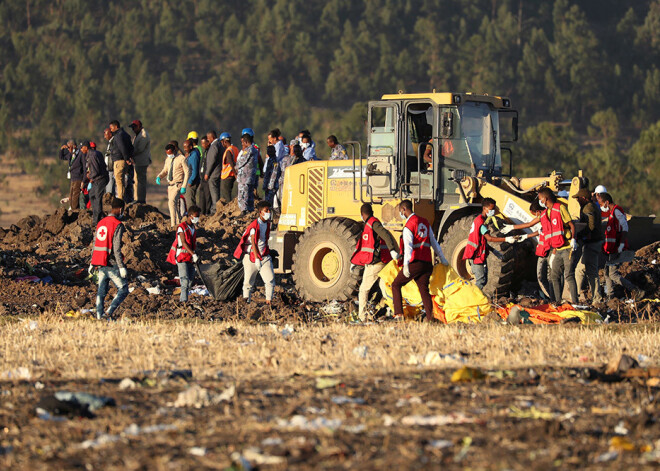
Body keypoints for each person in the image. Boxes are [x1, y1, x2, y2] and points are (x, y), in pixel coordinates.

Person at [392, 200, 448, 321]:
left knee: (396, 284)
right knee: (424, 290)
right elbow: (434, 243)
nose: (401, 214)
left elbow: (409, 248)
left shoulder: (408, 226)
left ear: (403, 210)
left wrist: (406, 266)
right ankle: (430, 318)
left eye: (400, 211)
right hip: (427, 263)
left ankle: (398, 315)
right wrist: (442, 258)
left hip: (415, 262)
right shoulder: (425, 222)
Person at [351, 203, 399, 321]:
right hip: (380, 262)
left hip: (375, 264)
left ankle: (362, 316)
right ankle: (394, 311)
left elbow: (385, 234)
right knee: (384, 288)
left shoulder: (372, 224)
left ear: (362, 214)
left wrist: (392, 249)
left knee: (363, 290)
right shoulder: (370, 224)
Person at [463, 198, 518, 290]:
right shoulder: (480, 222)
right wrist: (506, 239)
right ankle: (473, 300)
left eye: (494, 209)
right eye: (491, 209)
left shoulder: (482, 221)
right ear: (484, 208)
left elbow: (482, 241)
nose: (493, 211)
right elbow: (489, 238)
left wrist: (493, 251)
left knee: (483, 281)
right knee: (480, 282)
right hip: (476, 256)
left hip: (479, 254)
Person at [597, 192, 644, 300]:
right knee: (607, 273)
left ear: (607, 202)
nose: (601, 206)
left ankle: (636, 290)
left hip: (617, 249)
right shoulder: (612, 213)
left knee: (612, 274)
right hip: (611, 249)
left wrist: (620, 246)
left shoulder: (617, 211)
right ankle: (610, 296)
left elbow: (625, 228)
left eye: (601, 203)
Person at [91, 198, 128, 320]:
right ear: (121, 209)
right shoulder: (117, 225)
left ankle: (98, 316)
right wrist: (121, 267)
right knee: (123, 289)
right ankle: (108, 313)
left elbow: (95, 243)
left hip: (100, 262)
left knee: (101, 292)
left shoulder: (100, 223)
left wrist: (92, 263)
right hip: (111, 264)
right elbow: (116, 248)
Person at [234, 201, 276, 304]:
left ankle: (268, 302)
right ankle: (246, 303)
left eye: (269, 210)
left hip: (264, 256)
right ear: (260, 212)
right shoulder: (254, 225)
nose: (268, 212)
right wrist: (257, 259)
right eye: (266, 211)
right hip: (251, 257)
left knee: (270, 279)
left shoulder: (268, 224)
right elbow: (253, 242)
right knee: (248, 282)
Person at [573, 188, 604, 303]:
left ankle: (574, 296)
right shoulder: (592, 206)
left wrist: (579, 234)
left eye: (578, 198)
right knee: (592, 271)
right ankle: (596, 298)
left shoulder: (588, 208)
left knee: (580, 270)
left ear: (584, 198)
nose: (577, 200)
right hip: (595, 243)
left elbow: (590, 226)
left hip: (591, 243)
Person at [167, 205, 200, 303]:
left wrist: (194, 254)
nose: (197, 218)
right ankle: (183, 301)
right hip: (182, 257)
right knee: (184, 280)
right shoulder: (182, 227)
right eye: (196, 216)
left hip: (189, 257)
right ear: (190, 216)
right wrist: (193, 254)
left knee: (190, 281)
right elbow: (184, 242)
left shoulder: (193, 227)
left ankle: (184, 298)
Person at [156, 143, 190, 228]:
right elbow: (165, 170)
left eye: (170, 153)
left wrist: (184, 186)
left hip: (178, 184)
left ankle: (173, 225)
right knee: (174, 205)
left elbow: (187, 172)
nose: (169, 155)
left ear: (174, 150)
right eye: (167, 153)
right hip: (170, 185)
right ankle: (179, 222)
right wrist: (159, 177)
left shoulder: (181, 158)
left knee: (171, 202)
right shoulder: (168, 159)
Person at [108, 120, 134, 202]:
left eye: (111, 128)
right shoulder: (126, 135)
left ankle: (120, 200)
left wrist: (126, 158)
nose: (110, 130)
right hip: (125, 161)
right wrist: (128, 158)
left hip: (119, 161)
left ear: (116, 127)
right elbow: (131, 148)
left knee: (119, 182)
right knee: (123, 182)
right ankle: (123, 199)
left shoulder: (118, 135)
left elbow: (122, 147)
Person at [84, 140, 108, 225]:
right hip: (97, 179)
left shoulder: (92, 155)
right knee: (92, 195)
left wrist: (89, 176)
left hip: (100, 179)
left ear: (86, 148)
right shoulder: (95, 154)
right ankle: (97, 217)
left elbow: (96, 170)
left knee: (97, 198)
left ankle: (97, 220)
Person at [129, 120, 151, 204]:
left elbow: (139, 149)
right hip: (138, 161)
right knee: (137, 180)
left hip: (142, 161)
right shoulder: (138, 134)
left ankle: (141, 199)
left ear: (139, 127)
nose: (133, 129)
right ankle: (137, 198)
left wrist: (130, 153)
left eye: (134, 127)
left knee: (141, 181)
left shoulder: (143, 135)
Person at [236, 132, 257, 214]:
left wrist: (235, 167)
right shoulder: (255, 149)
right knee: (249, 194)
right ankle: (250, 210)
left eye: (242, 142)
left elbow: (241, 162)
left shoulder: (248, 150)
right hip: (250, 177)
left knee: (243, 194)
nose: (242, 144)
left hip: (244, 177)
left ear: (245, 141)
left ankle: (244, 211)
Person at [68, 141, 87, 210]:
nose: (68, 149)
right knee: (71, 195)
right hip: (73, 178)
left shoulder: (80, 154)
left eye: (69, 147)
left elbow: (84, 168)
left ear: (74, 146)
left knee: (75, 196)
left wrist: (83, 180)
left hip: (78, 178)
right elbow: (62, 156)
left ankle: (74, 210)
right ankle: (72, 208)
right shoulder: (73, 155)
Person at [220, 133, 238, 203]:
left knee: (226, 195)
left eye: (222, 142)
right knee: (228, 194)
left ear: (225, 141)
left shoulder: (228, 151)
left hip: (227, 176)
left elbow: (231, 163)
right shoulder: (235, 148)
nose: (222, 144)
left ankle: (229, 210)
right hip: (232, 175)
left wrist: (235, 173)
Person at [198, 137, 213, 215]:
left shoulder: (210, 151)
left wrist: (207, 174)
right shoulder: (205, 152)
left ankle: (208, 212)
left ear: (208, 143)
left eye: (204, 143)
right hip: (202, 178)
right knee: (202, 196)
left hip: (207, 178)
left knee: (208, 196)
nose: (202, 145)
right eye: (202, 143)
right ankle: (201, 213)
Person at [183, 138, 201, 208]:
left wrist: (190, 181)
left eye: (186, 147)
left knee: (190, 200)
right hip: (190, 179)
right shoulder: (191, 154)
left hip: (192, 181)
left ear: (190, 147)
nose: (184, 149)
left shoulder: (194, 156)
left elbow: (195, 171)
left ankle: (193, 216)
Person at [103, 128, 116, 195]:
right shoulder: (110, 142)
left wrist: (113, 167)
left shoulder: (114, 142)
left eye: (106, 135)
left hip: (112, 168)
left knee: (110, 188)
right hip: (109, 168)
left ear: (110, 134)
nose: (105, 137)